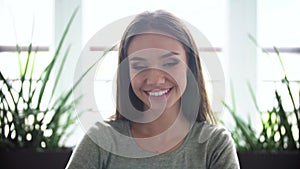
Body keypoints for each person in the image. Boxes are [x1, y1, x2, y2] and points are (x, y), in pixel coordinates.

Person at [66, 10, 240, 169]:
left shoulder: (214, 144)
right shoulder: (99, 141)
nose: (155, 79)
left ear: (190, 67)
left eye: (170, 63)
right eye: (139, 65)